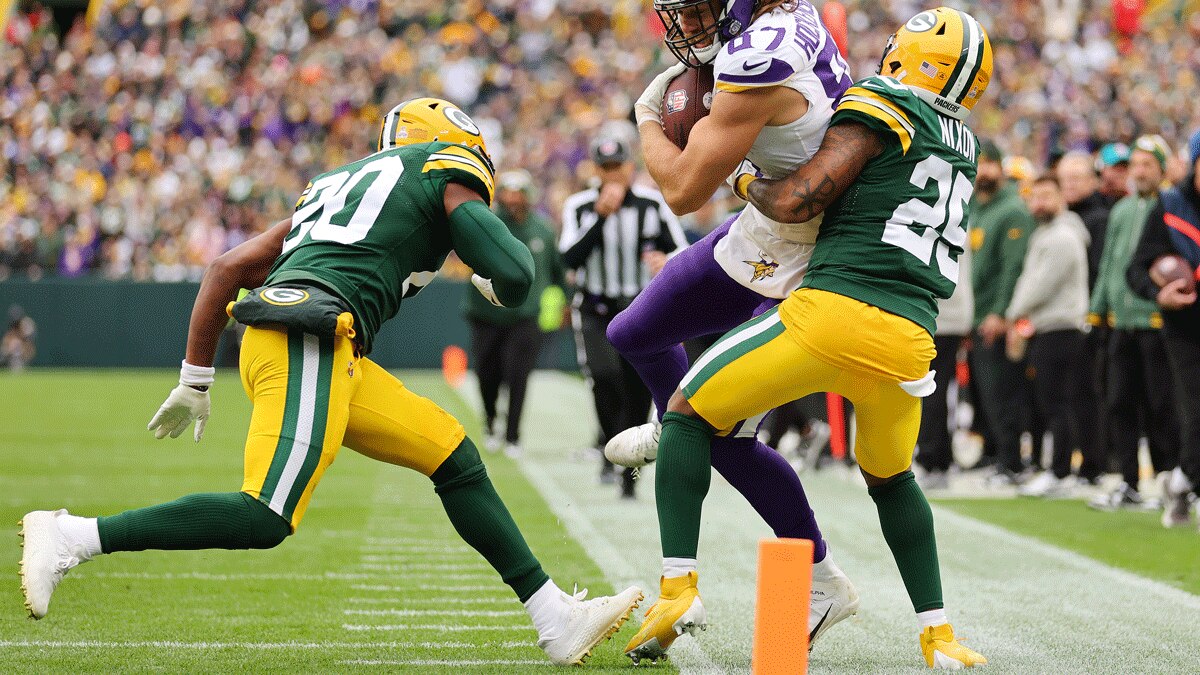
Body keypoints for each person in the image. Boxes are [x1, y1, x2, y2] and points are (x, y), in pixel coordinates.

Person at [18, 98, 642, 665]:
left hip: (318, 338)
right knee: (265, 515)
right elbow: (515, 269)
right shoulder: (441, 169)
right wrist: (495, 281)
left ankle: (553, 615)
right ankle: (72, 535)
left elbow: (228, 266)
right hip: (310, 332)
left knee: (452, 454)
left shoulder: (334, 184)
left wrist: (196, 377)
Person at [624, 8, 993, 669]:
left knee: (686, 411)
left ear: (907, 56)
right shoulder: (965, 143)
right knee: (892, 479)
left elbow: (799, 200)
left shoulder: (882, 103)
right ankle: (939, 636)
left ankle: (678, 588)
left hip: (835, 311)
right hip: (912, 340)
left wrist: (739, 177)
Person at [604, 0, 860, 651]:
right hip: (768, 225)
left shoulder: (758, 55)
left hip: (811, 260)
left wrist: (645, 121)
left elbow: (684, 188)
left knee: (714, 433)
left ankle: (816, 580)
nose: (686, 26)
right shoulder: (785, 16)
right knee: (632, 333)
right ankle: (674, 425)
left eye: (697, 9)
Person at [558, 135, 687, 498]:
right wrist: (600, 217)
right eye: (606, 168)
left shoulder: (651, 203)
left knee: (635, 385)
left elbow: (681, 250)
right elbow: (569, 257)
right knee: (604, 375)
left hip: (639, 307)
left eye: (619, 167)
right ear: (596, 171)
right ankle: (607, 450)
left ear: (630, 168)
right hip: (596, 307)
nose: (613, 175)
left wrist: (667, 262)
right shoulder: (580, 206)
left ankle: (628, 468)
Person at [1088, 135, 1181, 510]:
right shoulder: (1123, 210)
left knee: (1162, 405)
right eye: (1136, 164)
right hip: (1122, 320)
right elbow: (1110, 263)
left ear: (1161, 168)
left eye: (1147, 164)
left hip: (1157, 319)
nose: (1140, 171)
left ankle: (1168, 478)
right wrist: (1097, 309)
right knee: (1119, 402)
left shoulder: (1172, 206)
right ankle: (1127, 481)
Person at [462, 169, 565, 457]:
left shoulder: (543, 230)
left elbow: (557, 271)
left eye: (518, 193)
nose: (512, 199)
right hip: (487, 313)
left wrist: (566, 301)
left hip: (526, 315)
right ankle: (491, 420)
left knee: (519, 375)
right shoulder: (489, 223)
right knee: (487, 373)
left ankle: (513, 434)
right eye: (508, 192)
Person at [1128, 129, 1200, 529]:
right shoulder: (1169, 206)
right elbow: (1136, 270)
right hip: (1186, 328)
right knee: (1196, 409)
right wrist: (1161, 296)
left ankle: (1182, 481)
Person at [1007, 175, 1092, 498]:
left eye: (1047, 196)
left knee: (1056, 403)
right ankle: (1056, 469)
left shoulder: (1062, 238)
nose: (1039, 203)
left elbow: (1039, 285)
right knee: (1051, 403)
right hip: (1049, 328)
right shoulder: (1047, 234)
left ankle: (1059, 472)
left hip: (1060, 328)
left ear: (1061, 198)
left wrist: (1014, 313)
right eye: (1035, 196)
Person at [967, 141, 1035, 483]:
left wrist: (1000, 312)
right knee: (983, 394)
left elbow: (1013, 268)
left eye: (985, 164)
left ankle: (1011, 462)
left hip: (994, 315)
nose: (980, 171)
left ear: (997, 167)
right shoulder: (978, 207)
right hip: (974, 313)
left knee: (1001, 393)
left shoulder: (1013, 210)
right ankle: (994, 454)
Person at [1057, 151, 1114, 484]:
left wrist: (1092, 313)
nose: (1070, 184)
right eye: (1065, 178)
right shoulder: (1064, 217)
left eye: (1077, 177)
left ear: (1093, 180)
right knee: (1068, 394)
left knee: (1087, 392)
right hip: (1067, 317)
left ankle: (1094, 463)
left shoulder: (1097, 219)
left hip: (1087, 318)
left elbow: (1099, 271)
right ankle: (1082, 461)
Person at [916, 249, 972, 490]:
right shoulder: (959, 216)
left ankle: (933, 460)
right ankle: (941, 459)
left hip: (937, 317)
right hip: (951, 315)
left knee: (930, 393)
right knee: (939, 393)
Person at [1, 304, 36, 371]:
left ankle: (17, 366)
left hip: (25, 351)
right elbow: (6, 341)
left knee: (16, 345)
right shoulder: (11, 328)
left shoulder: (26, 323)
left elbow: (29, 341)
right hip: (12, 353)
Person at [1096, 142, 1132, 207]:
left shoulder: (1134, 200)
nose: (1121, 172)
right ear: (1102, 168)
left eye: (1125, 167)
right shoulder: (1090, 199)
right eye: (1116, 167)